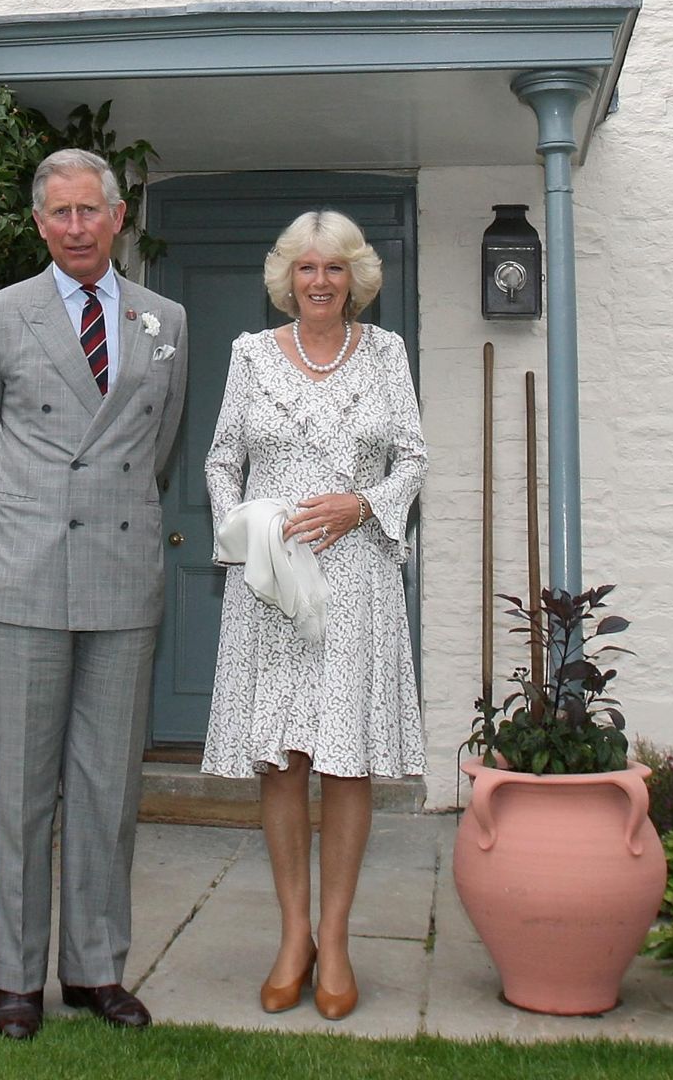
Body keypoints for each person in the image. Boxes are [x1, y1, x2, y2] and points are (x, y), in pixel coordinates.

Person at [0, 148, 188, 1039]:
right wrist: (33, 515)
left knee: (106, 788)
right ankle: (17, 979)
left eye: (92, 211)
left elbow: (158, 444)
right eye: (61, 214)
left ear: (118, 217)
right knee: (21, 791)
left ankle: (96, 970)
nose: (78, 227)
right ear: (40, 224)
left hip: (122, 578)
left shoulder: (164, 318)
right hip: (23, 576)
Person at [200, 210, 428, 1021]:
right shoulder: (250, 355)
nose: (320, 282)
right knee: (284, 758)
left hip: (358, 580)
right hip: (271, 588)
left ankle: (335, 940)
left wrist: (363, 504)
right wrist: (244, 532)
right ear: (286, 278)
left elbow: (413, 457)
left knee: (345, 759)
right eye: (306, 269)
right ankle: (292, 935)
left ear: (356, 277)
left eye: (334, 268)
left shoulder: (388, 353)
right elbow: (223, 457)